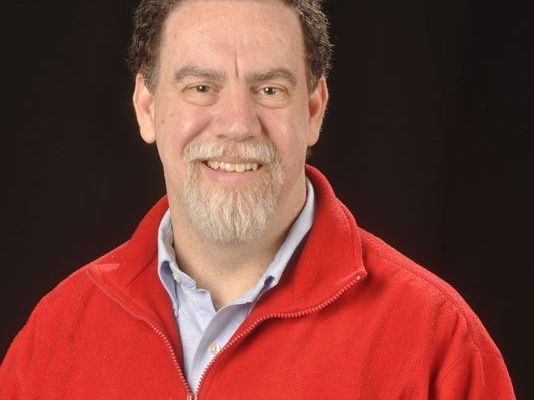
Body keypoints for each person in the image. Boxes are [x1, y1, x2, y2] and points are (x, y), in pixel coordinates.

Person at [0, 0, 515, 398]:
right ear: (146, 108)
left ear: (313, 110)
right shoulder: (55, 337)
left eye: (269, 90)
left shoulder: (437, 343)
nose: (237, 124)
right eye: (201, 87)